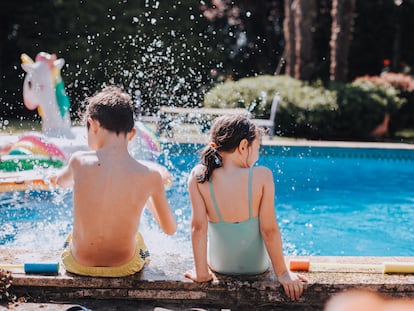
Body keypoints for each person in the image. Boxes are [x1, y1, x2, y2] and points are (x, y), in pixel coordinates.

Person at [55, 86, 177, 277]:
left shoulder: (79, 162)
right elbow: (170, 228)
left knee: (70, 237)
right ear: (133, 134)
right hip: (123, 267)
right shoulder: (150, 177)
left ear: (92, 125)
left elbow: (60, 182)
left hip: (79, 264)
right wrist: (150, 193)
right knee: (139, 239)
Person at [184, 115, 308, 300]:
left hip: (219, 265)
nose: (257, 155)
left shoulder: (198, 176)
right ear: (243, 146)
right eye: (257, 148)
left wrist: (201, 273)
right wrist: (282, 273)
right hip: (256, 266)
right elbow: (269, 231)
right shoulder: (262, 176)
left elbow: (198, 228)